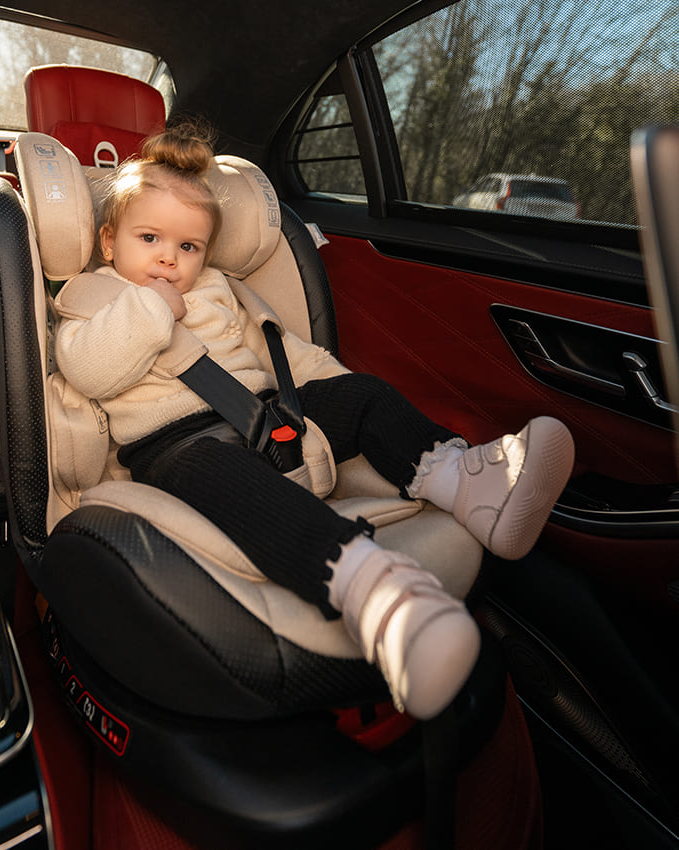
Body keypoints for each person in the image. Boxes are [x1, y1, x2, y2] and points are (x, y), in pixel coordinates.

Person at [54, 122, 575, 720]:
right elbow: (88, 369)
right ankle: (377, 593)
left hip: (267, 416)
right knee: (229, 479)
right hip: (176, 445)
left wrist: (329, 389)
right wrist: (151, 309)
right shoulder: (90, 296)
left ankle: (465, 481)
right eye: (150, 238)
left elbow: (283, 354)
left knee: (364, 395)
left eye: (189, 247)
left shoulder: (219, 289)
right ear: (109, 241)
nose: (170, 259)